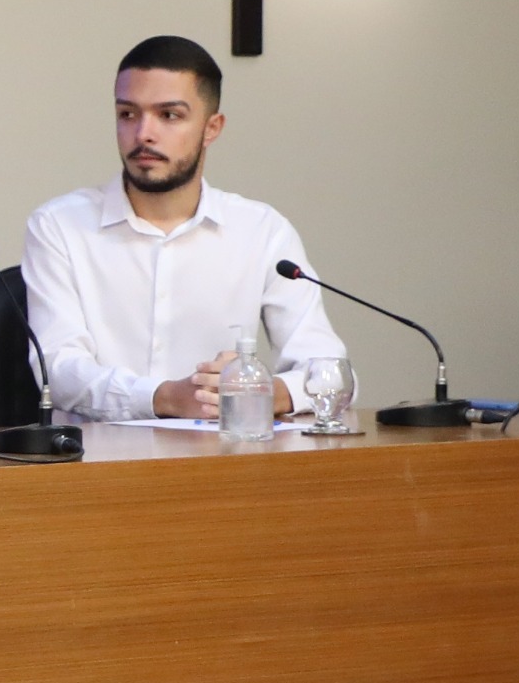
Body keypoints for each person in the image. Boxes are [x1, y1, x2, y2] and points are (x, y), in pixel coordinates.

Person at [19, 34, 344, 421]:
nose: (143, 134)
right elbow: (58, 369)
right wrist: (164, 398)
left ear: (212, 128)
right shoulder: (59, 226)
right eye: (128, 114)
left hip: (223, 454)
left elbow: (331, 371)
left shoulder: (263, 231)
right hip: (97, 454)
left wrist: (262, 391)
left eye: (169, 115)